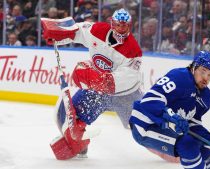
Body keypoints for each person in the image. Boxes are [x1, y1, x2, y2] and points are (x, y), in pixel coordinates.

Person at [41, 8, 143, 160]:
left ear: (130, 26)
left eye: (124, 26)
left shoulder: (133, 50)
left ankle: (171, 145)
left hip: (126, 95)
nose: (121, 29)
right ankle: (79, 144)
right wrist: (61, 33)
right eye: (118, 25)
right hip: (99, 92)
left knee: (142, 129)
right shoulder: (97, 30)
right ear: (112, 24)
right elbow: (78, 31)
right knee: (65, 115)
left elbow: (125, 79)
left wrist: (93, 78)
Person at [129, 51, 210, 169]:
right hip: (144, 125)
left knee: (202, 148)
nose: (206, 78)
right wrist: (170, 116)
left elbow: (193, 125)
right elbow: (149, 101)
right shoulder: (179, 77)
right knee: (188, 145)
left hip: (164, 128)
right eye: (203, 71)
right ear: (194, 67)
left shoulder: (205, 96)